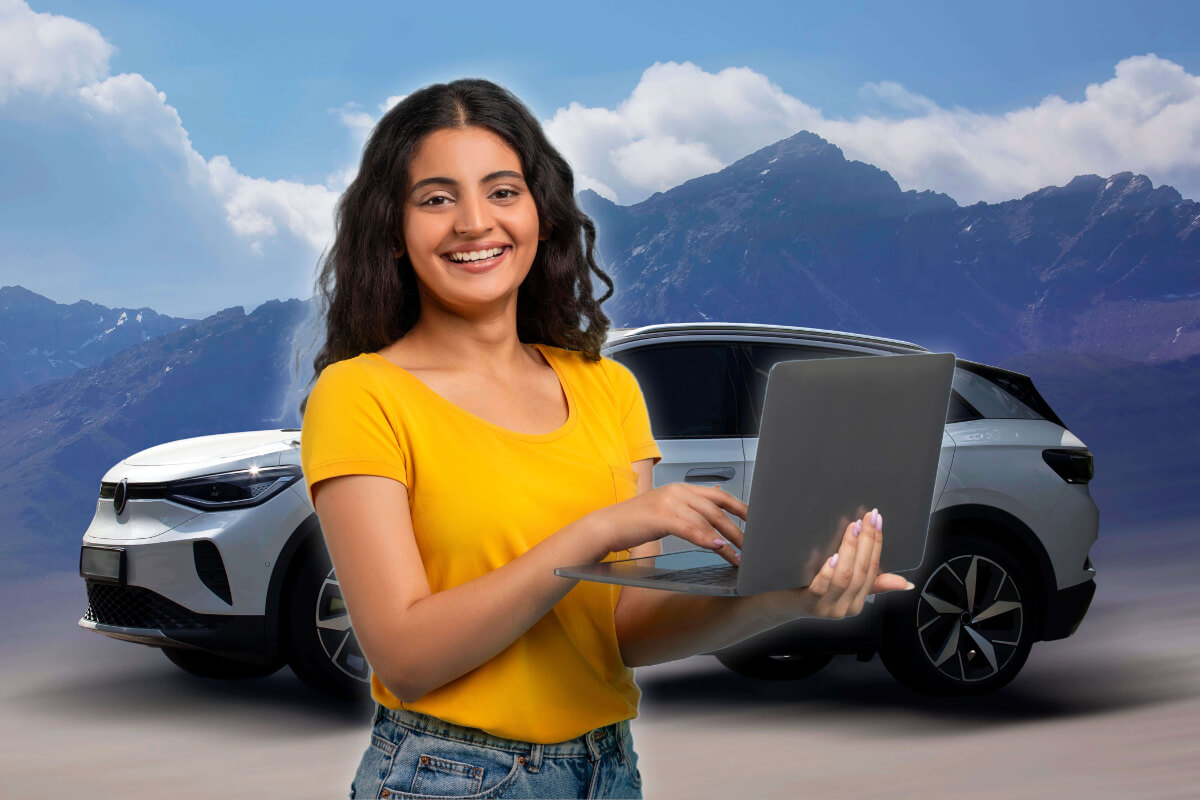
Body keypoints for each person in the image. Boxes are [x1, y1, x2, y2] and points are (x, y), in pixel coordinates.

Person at [298, 77, 912, 800]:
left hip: (607, 771)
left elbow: (624, 629)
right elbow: (405, 657)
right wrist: (595, 532)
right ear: (394, 233)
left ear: (543, 216)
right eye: (437, 199)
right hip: (447, 775)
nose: (474, 222)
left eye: (502, 191)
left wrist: (786, 601)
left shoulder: (607, 389)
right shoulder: (359, 394)